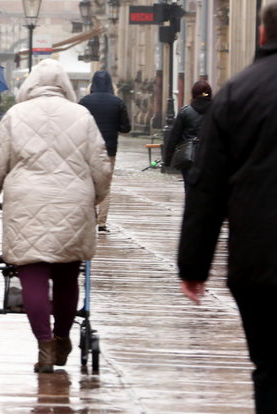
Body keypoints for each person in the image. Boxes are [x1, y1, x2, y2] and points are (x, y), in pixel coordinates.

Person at [0, 59, 111, 373]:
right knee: (67, 274)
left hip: (26, 205)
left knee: (32, 274)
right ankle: (63, 336)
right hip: (73, 203)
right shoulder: (82, 116)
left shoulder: (15, 116)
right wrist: (97, 195)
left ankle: (45, 344)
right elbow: (101, 166)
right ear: (64, 85)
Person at [178, 3, 277, 412]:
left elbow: (207, 190)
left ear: (260, 36)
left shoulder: (237, 94)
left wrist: (193, 266)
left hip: (259, 262)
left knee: (270, 367)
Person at [78, 70, 131, 232]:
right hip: (109, 150)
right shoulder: (118, 102)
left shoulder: (84, 102)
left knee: (89, 183)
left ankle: (91, 218)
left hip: (88, 149)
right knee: (105, 185)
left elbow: (78, 126)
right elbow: (126, 128)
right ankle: (102, 222)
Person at [162, 80, 212, 192]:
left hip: (189, 156)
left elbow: (174, 137)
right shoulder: (217, 110)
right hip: (210, 155)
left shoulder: (185, 112)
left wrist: (167, 159)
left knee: (189, 186)